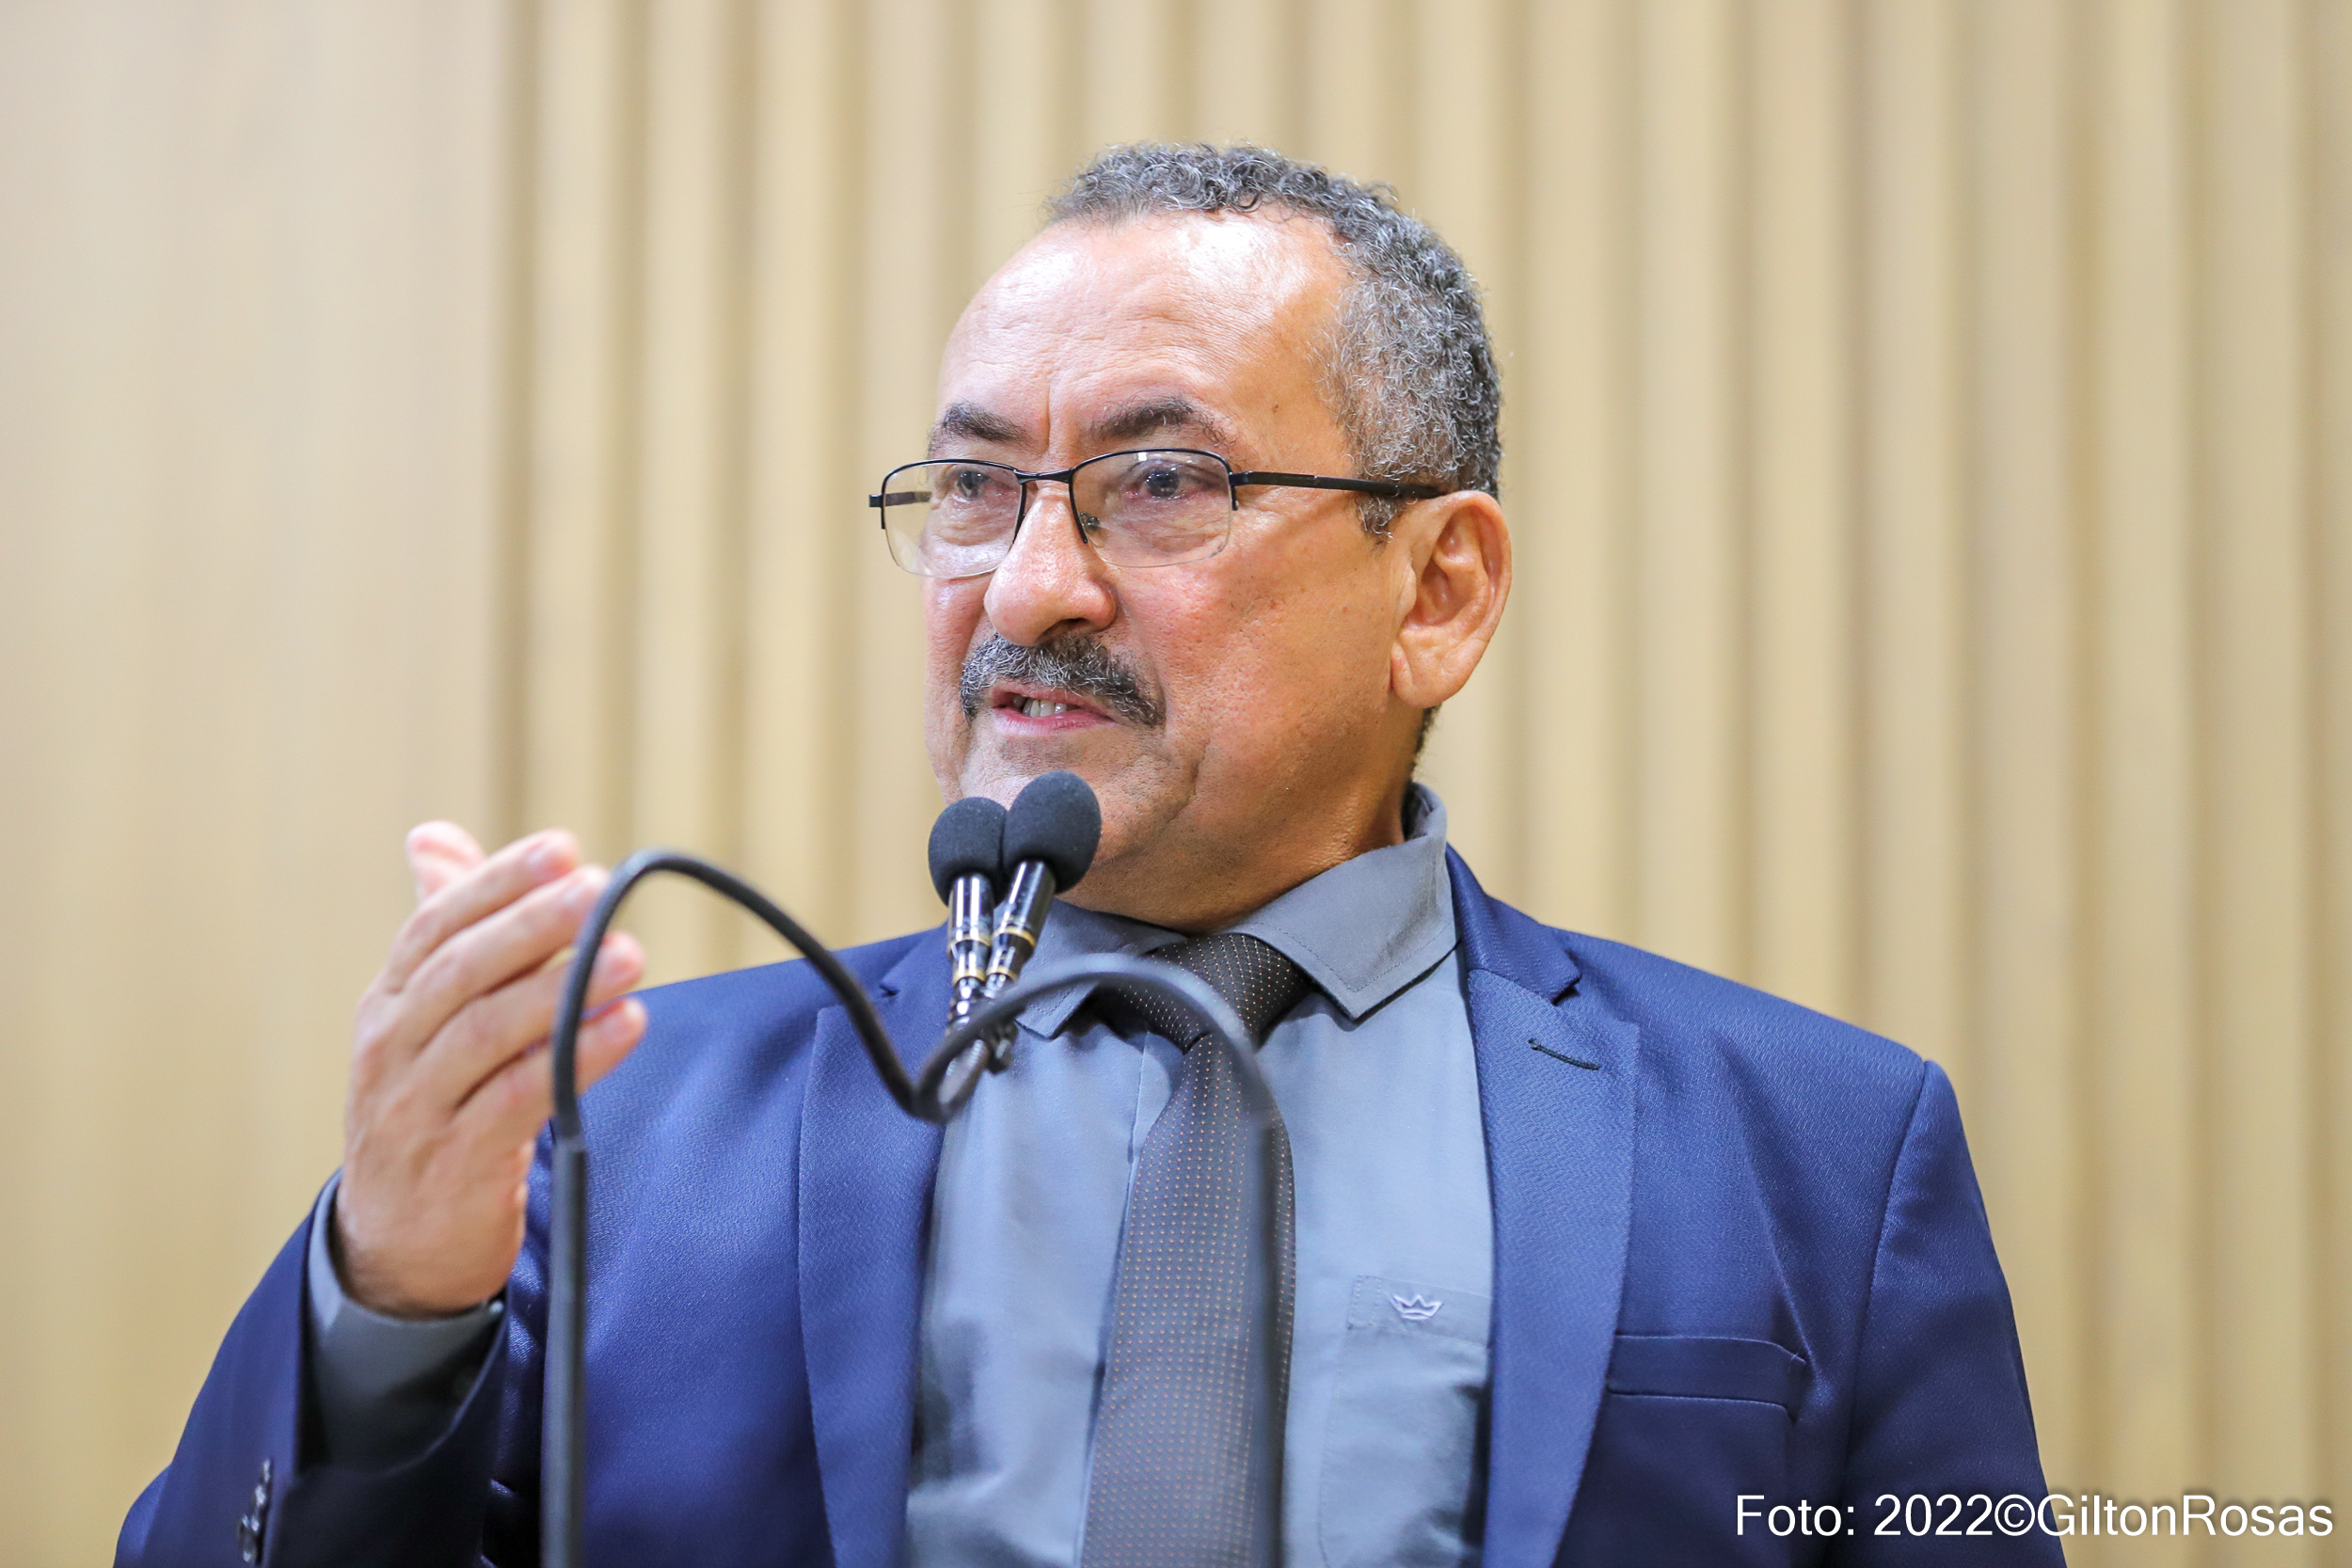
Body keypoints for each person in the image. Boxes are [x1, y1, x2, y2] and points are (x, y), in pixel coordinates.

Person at [119, 144, 2058, 1568]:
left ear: (1439, 592)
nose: (1027, 584)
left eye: (1161, 482)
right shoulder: (613, 1128)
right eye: (974, 488)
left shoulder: (1819, 1152)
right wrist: (392, 1306)